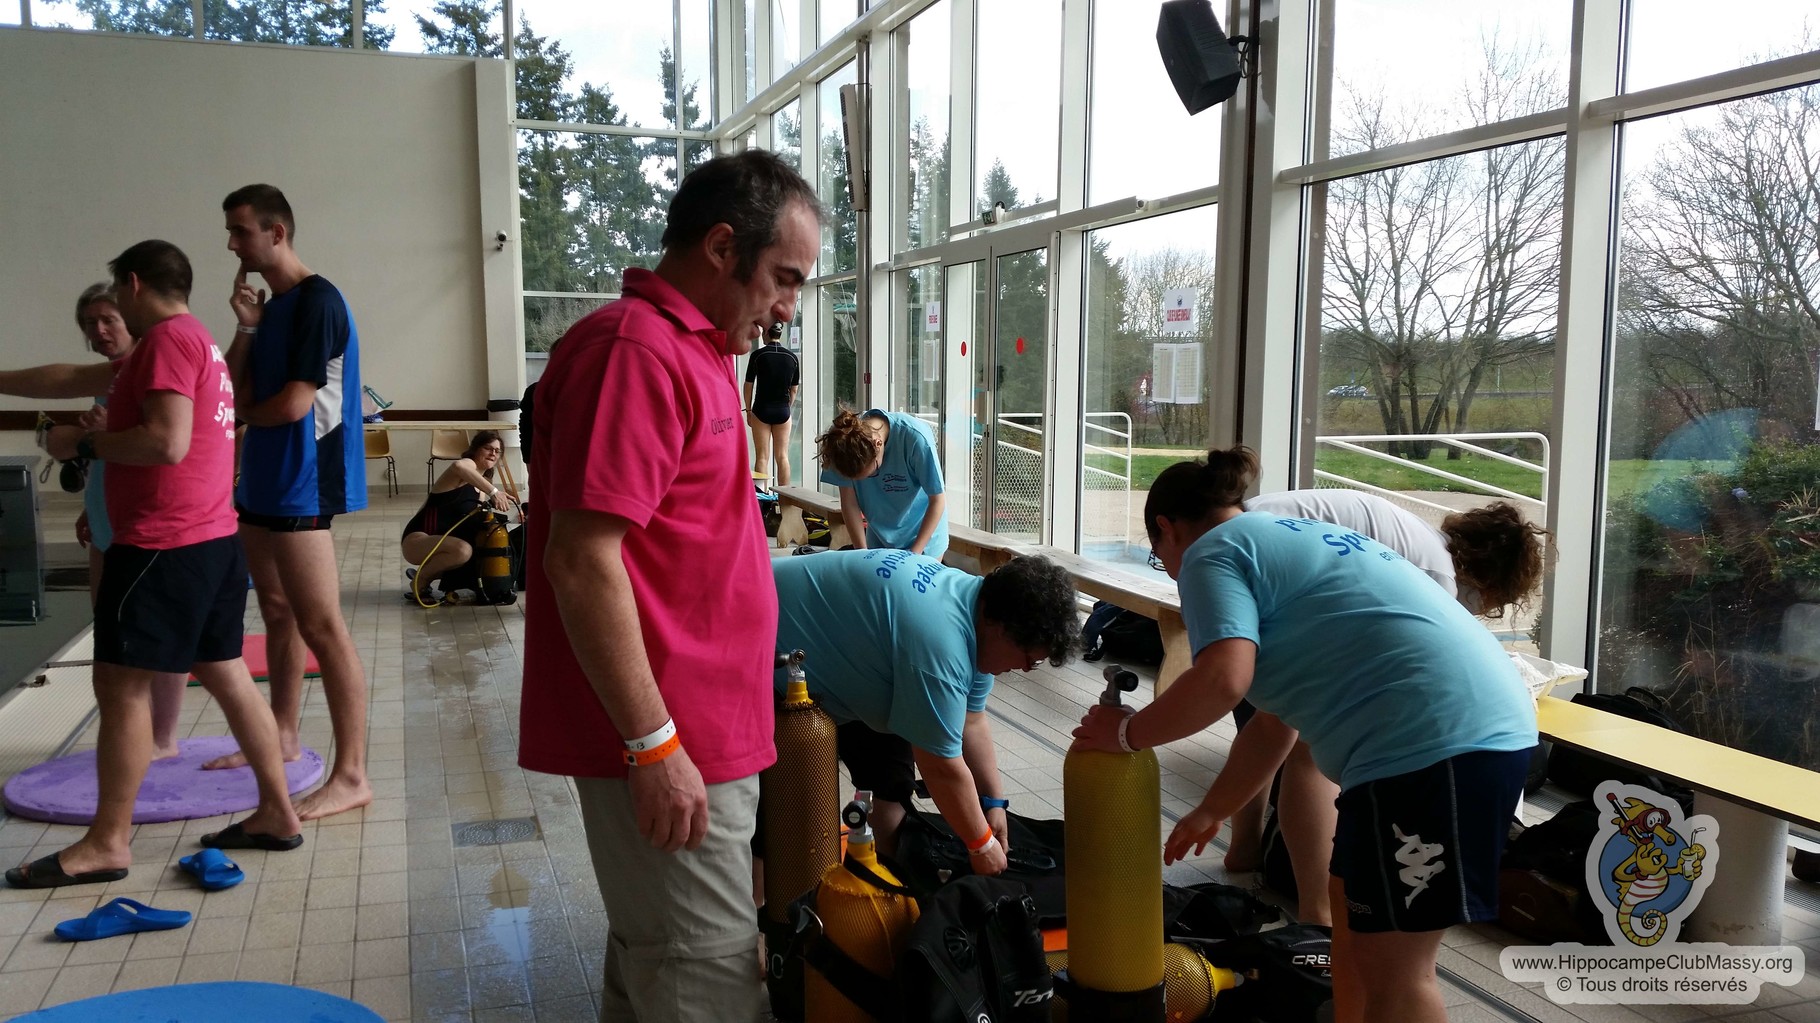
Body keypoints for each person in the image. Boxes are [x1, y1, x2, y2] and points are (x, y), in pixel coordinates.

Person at [1072, 448, 1537, 1023]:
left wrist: (1127, 733)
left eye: (1157, 554)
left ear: (1166, 528)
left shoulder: (1211, 552)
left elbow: (1222, 679)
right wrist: (1213, 809)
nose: (1167, 568)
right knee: (1350, 941)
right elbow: (1274, 723)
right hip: (1436, 742)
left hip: (1440, 747)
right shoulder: (1285, 536)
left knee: (1396, 971)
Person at [520, 148, 822, 1022]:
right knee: (706, 982)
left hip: (706, 731)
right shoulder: (635, 352)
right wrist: (654, 745)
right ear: (722, 248)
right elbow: (582, 560)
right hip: (668, 736)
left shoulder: (699, 349)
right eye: (785, 278)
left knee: (658, 966)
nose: (788, 308)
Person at [1, 241, 303, 888]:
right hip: (212, 539)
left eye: (114, 298)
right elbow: (67, 377)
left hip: (163, 544)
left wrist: (80, 441)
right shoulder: (194, 342)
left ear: (133, 285)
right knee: (226, 673)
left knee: (121, 687)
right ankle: (277, 813)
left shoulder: (166, 342)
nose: (109, 314)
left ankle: (107, 843)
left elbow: (167, 442)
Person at [1221, 489, 1549, 923]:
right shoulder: (1435, 576)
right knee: (1308, 751)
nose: (1482, 611)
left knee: (1271, 723)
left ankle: (1244, 849)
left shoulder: (1420, 541)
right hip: (1257, 562)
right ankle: (1318, 911)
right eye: (1494, 605)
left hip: (1248, 557)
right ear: (1491, 582)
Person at [210, 183, 372, 822]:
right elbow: (231, 387)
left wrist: (242, 415)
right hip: (263, 477)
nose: (232, 244)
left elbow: (292, 405)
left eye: (240, 231)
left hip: (305, 478)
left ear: (276, 233)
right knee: (276, 611)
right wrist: (246, 328)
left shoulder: (317, 301)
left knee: (322, 627)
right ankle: (282, 734)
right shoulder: (273, 308)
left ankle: (352, 775)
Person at [769, 551, 1079, 867]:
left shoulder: (977, 609)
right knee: (771, 823)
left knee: (892, 789)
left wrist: (993, 803)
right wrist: (982, 846)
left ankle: (880, 880)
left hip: (856, 648)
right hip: (760, 629)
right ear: (1002, 628)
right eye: (1030, 659)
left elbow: (971, 722)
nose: (1025, 669)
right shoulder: (941, 647)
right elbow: (941, 766)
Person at [69, 282, 190, 762]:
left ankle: (163, 736)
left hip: (149, 524)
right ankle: (128, 732)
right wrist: (90, 505)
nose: (98, 330)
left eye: (108, 320)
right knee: (109, 633)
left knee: (158, 633)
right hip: (107, 519)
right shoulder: (109, 380)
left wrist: (105, 433)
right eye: (89, 323)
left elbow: (164, 447)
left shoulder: (154, 370)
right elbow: (108, 459)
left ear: (131, 321)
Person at [816, 405, 948, 558]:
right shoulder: (841, 444)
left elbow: (937, 500)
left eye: (872, 473)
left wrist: (914, 555)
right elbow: (849, 503)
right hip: (879, 536)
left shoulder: (916, 438)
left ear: (877, 444)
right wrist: (862, 554)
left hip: (923, 536)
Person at [401, 430, 515, 603]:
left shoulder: (481, 487)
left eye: (497, 451)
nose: (493, 453)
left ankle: (430, 574)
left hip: (444, 541)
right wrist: (494, 492)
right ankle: (420, 581)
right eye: (488, 448)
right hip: (418, 540)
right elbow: (458, 466)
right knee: (463, 551)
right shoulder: (466, 466)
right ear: (475, 449)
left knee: (481, 550)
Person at [744, 324, 799, 486]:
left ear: (766, 334)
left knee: (762, 457)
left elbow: (748, 385)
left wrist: (748, 410)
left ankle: (763, 496)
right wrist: (787, 406)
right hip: (782, 410)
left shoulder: (758, 355)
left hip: (761, 409)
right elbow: (794, 389)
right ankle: (785, 498)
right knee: (783, 457)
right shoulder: (792, 357)